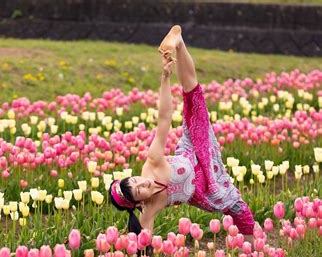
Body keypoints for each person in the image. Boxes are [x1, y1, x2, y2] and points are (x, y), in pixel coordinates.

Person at [109, 25, 255, 239]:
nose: (143, 182)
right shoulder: (148, 211)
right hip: (201, 192)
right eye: (140, 189)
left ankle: (178, 42)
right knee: (236, 208)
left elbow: (164, 118)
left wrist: (165, 78)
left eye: (135, 179)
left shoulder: (153, 163)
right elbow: (141, 244)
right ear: (139, 202)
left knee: (193, 97)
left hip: (194, 151)